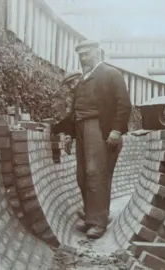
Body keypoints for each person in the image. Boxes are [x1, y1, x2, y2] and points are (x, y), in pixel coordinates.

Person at [68, 40, 131, 239]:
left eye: (87, 54)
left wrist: (116, 130)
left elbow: (124, 105)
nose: (83, 58)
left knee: (96, 173)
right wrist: (69, 134)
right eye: (80, 55)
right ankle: (91, 216)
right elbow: (74, 109)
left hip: (99, 128)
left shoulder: (112, 74)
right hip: (80, 128)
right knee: (82, 175)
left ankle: (97, 222)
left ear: (97, 53)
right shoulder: (83, 79)